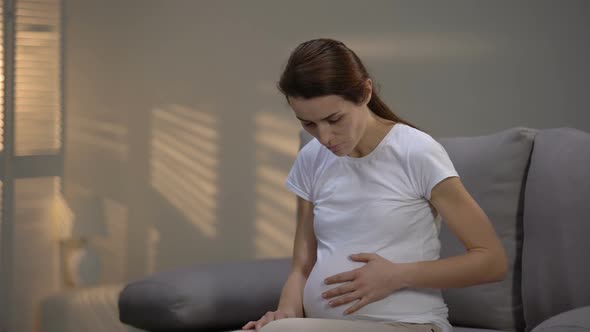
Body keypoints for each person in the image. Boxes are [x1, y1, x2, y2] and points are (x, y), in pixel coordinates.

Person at [242, 38, 508, 332]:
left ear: (365, 92)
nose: (325, 137)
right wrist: (285, 314)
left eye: (334, 119)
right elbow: (302, 268)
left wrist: (398, 275)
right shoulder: (311, 159)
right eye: (308, 124)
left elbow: (492, 261)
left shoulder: (415, 152)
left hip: (410, 324)